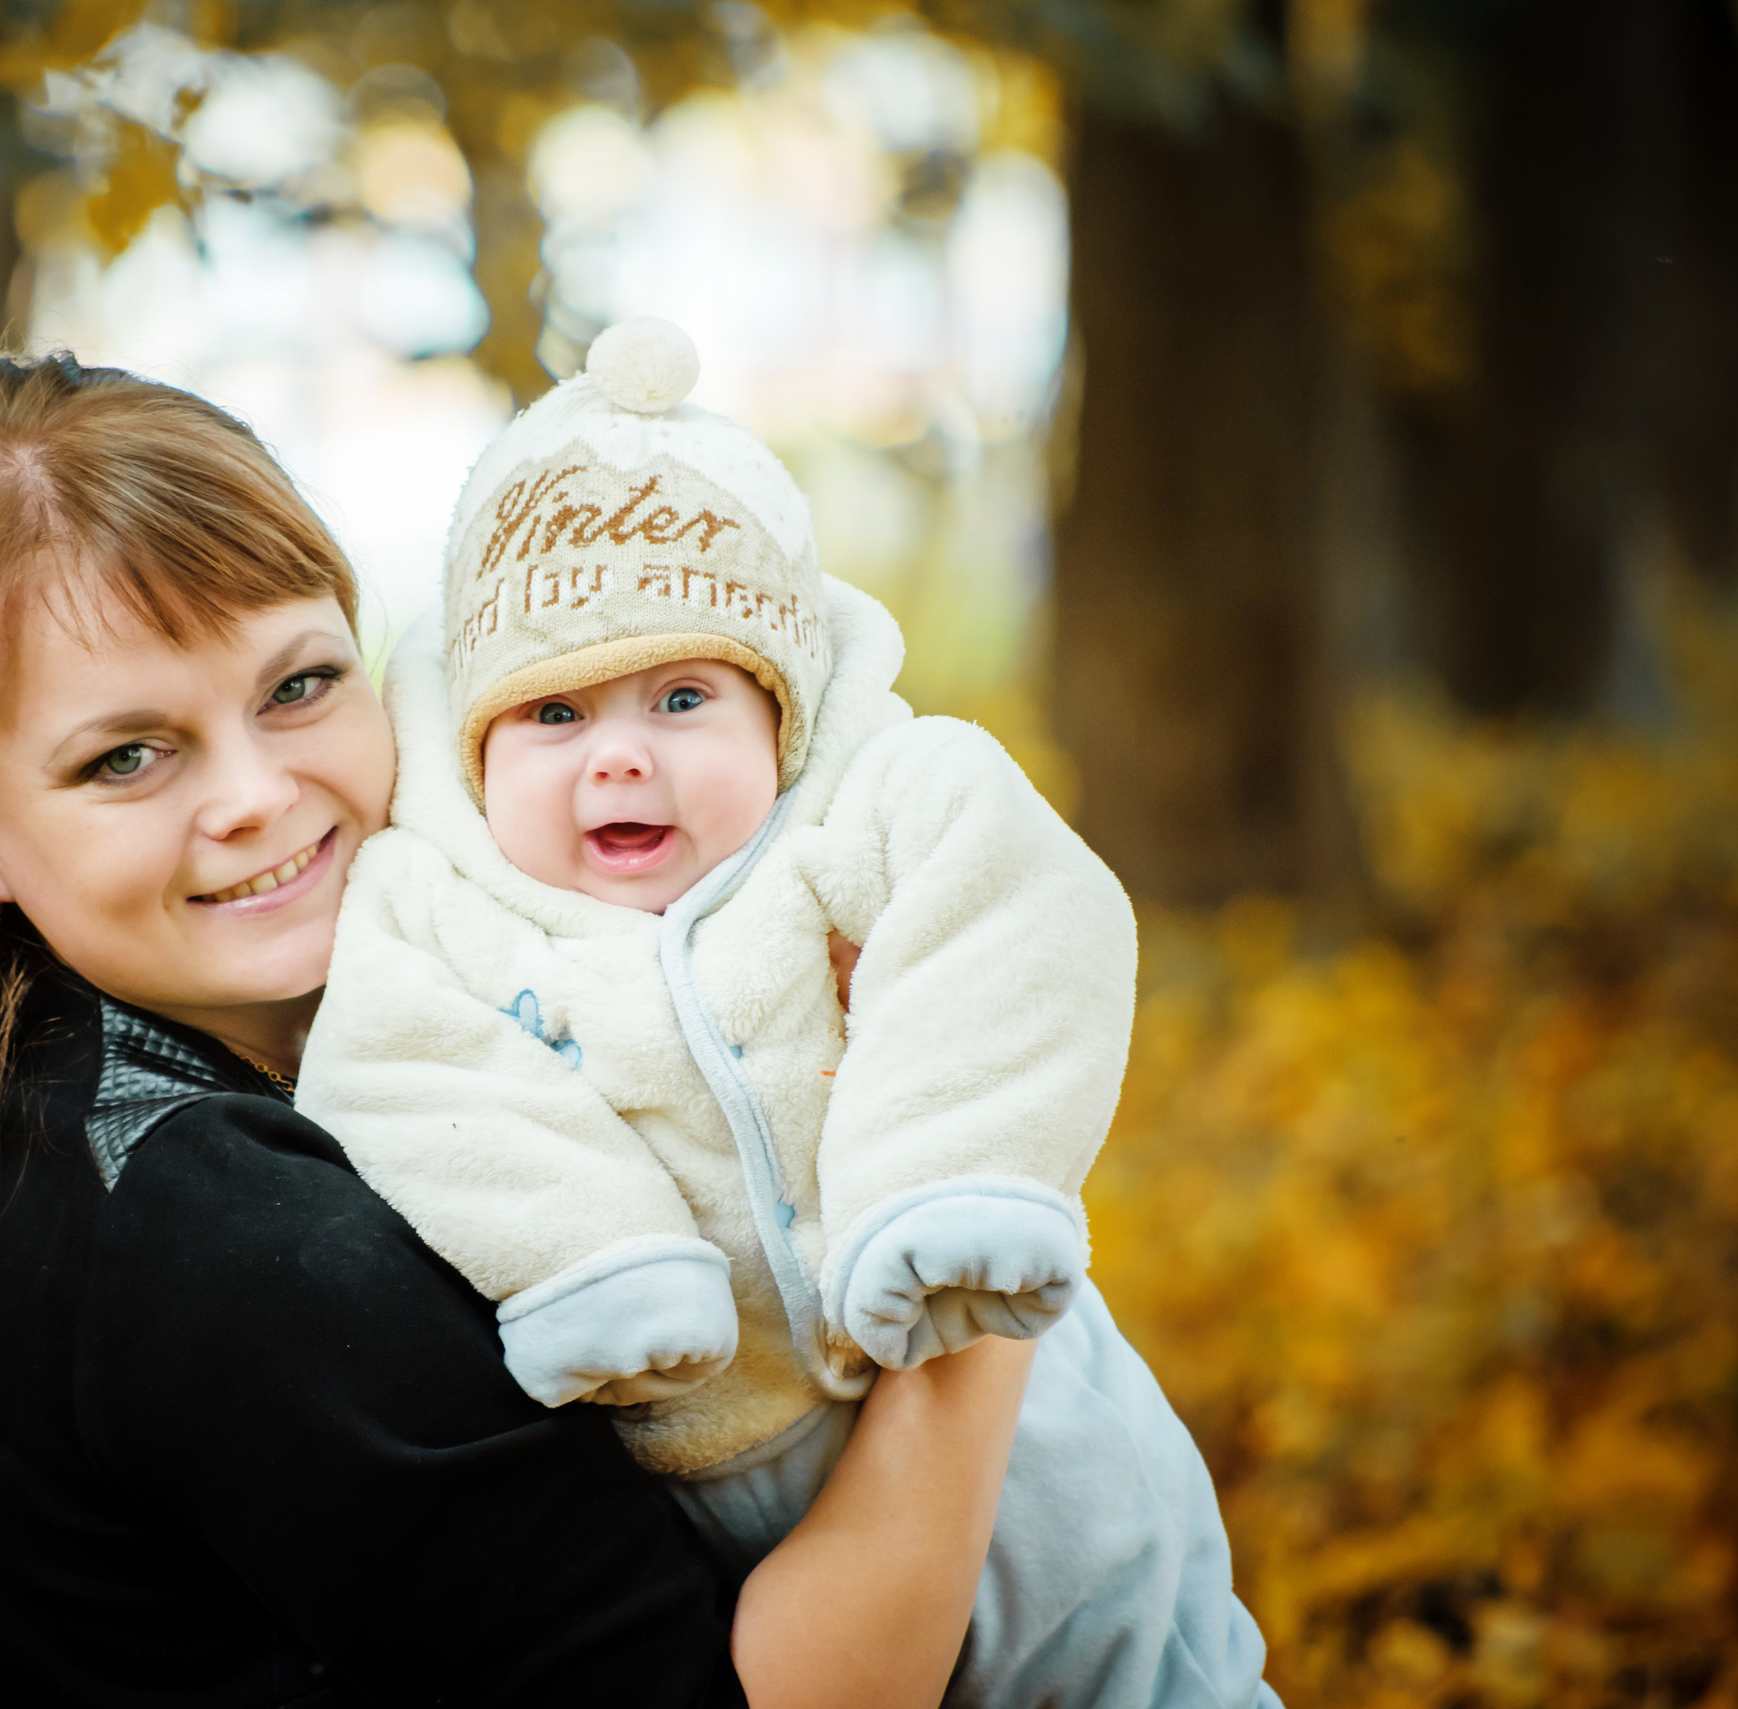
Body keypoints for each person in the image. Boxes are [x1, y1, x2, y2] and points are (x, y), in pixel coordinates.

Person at [0, 353, 1041, 1709]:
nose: (255, 794)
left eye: (297, 687)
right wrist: (968, 1179)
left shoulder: (61, 1084)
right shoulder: (235, 1243)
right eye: (126, 756)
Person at [297, 320, 1279, 1706]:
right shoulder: (440, 908)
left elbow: (1015, 918)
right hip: (720, 1443)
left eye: (682, 696)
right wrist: (600, 1265)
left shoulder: (865, 809)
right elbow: (408, 1078)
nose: (620, 754)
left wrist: (953, 1178)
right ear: (474, 748)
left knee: (1149, 1647)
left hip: (1001, 1377)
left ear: (780, 717)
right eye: (555, 713)